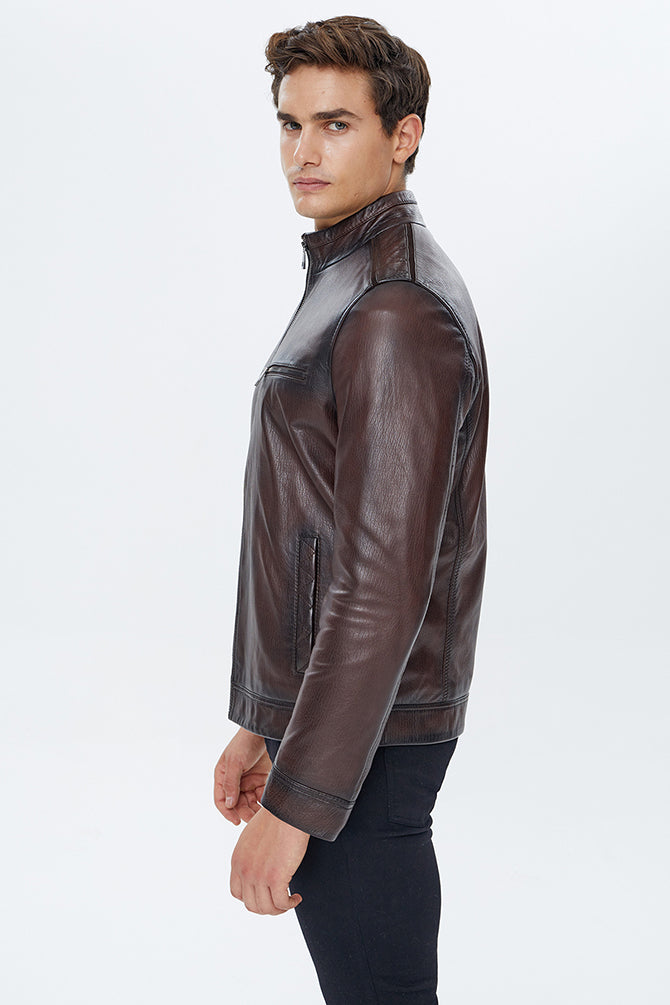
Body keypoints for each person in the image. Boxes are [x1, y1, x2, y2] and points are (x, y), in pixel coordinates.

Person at [214, 15, 488, 1003]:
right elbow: (318, 529)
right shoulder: (348, 276)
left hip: (365, 745)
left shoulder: (392, 307)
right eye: (290, 125)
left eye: (335, 124)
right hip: (338, 726)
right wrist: (265, 721)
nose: (304, 151)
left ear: (403, 135)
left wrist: (298, 801)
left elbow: (381, 581)